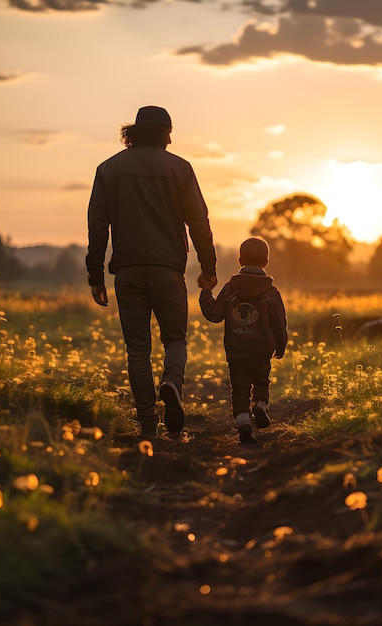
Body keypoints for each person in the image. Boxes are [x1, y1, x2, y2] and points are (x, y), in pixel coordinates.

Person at [86, 105, 218, 439]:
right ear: (165, 133)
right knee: (175, 339)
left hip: (128, 274)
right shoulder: (180, 169)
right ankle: (172, 382)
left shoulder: (108, 169)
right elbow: (199, 222)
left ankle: (148, 423)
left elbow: (97, 227)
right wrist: (208, 268)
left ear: (133, 132)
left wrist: (95, 276)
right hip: (168, 271)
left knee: (138, 350)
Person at [199, 237, 287, 444]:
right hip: (261, 352)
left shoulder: (230, 289)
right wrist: (280, 346)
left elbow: (214, 314)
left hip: (236, 352)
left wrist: (205, 292)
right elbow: (279, 324)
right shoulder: (271, 292)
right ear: (266, 262)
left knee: (239, 390)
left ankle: (244, 423)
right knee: (261, 383)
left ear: (240, 261)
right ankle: (260, 405)